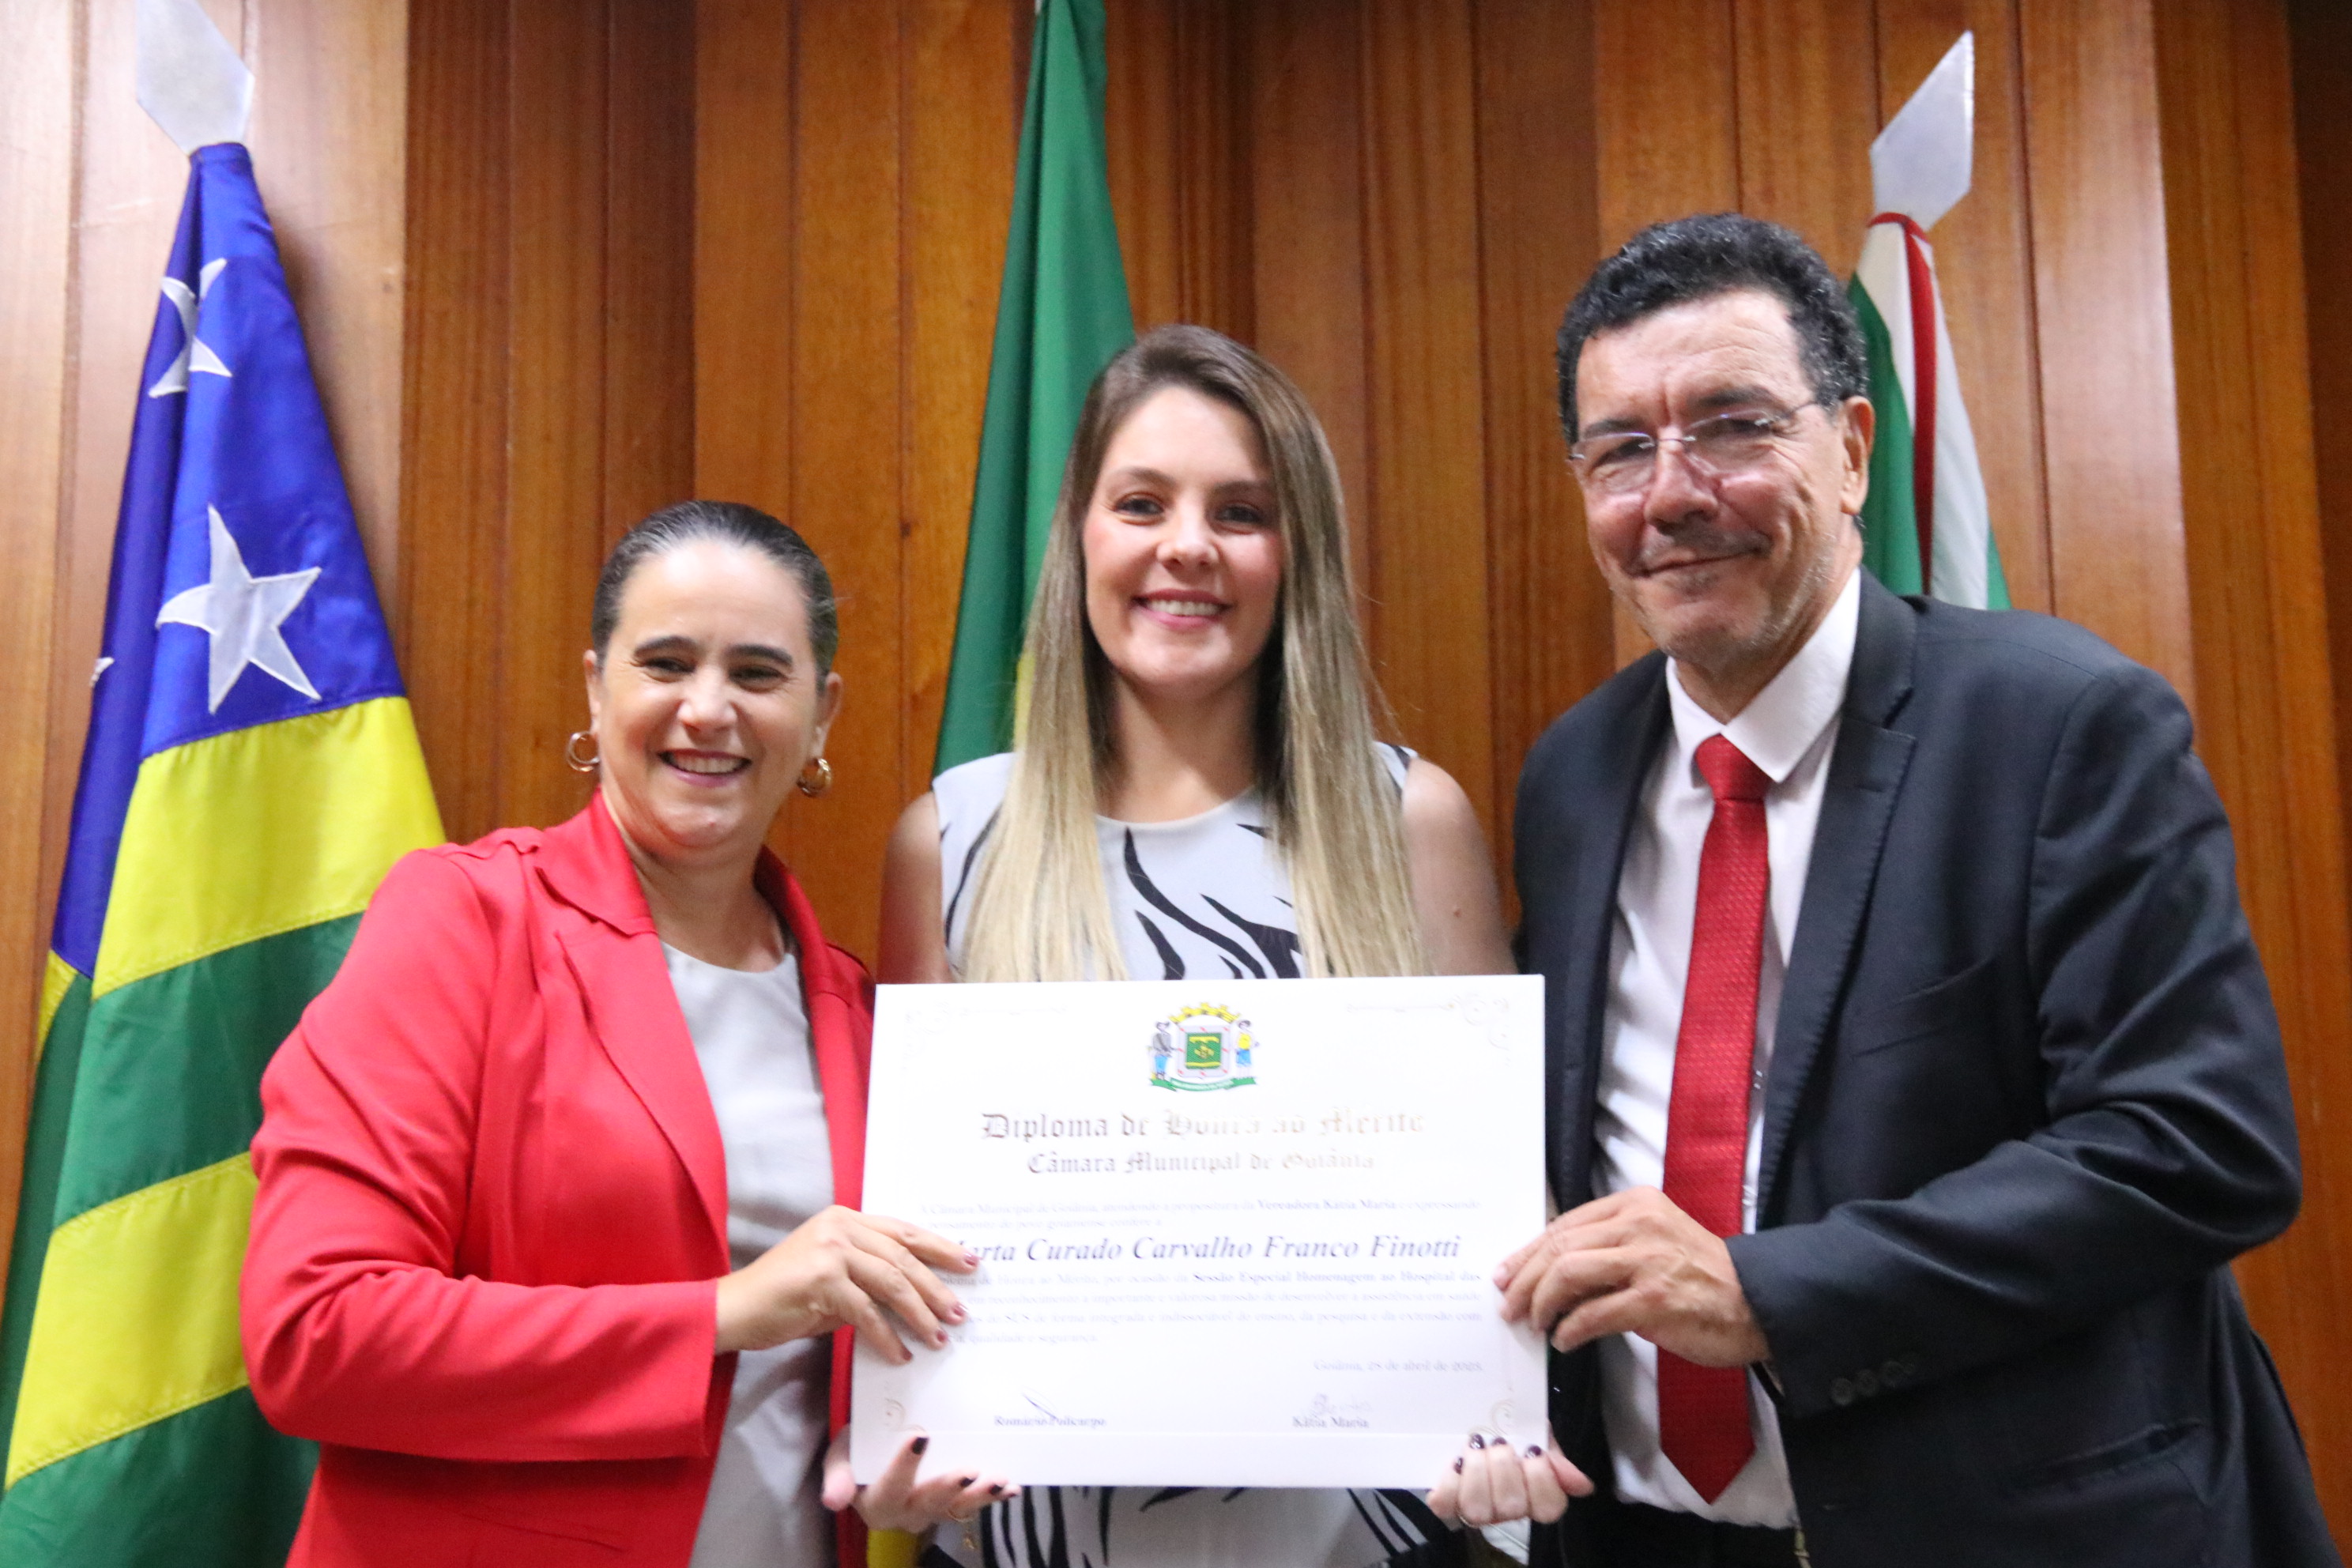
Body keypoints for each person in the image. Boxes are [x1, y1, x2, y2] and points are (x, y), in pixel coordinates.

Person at [1501, 213, 2339, 1566]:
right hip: (1643, 1535)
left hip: (2005, 1531)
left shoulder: (2061, 728)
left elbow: (2197, 1143)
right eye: (1621, 450)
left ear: (1851, 450)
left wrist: (1770, 1292)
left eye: (1731, 427)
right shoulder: (1572, 776)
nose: (1672, 494)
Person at [876, 324, 1579, 1565]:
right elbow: (908, 1246)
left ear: (1296, 553)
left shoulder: (1408, 821)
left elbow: (1507, 1205)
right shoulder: (951, 840)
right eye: (1142, 503)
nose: (1187, 546)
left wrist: (1502, 1409)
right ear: (1079, 537)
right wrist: (899, 1437)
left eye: (1241, 511)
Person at [241, 501, 1008, 1568]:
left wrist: (882, 1457)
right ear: (598, 689)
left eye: (757, 673)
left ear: (821, 714)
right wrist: (724, 1312)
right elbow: (315, 1333)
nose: (709, 708)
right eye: (667, 664)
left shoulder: (858, 1013)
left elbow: (828, 1378)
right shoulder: (465, 922)